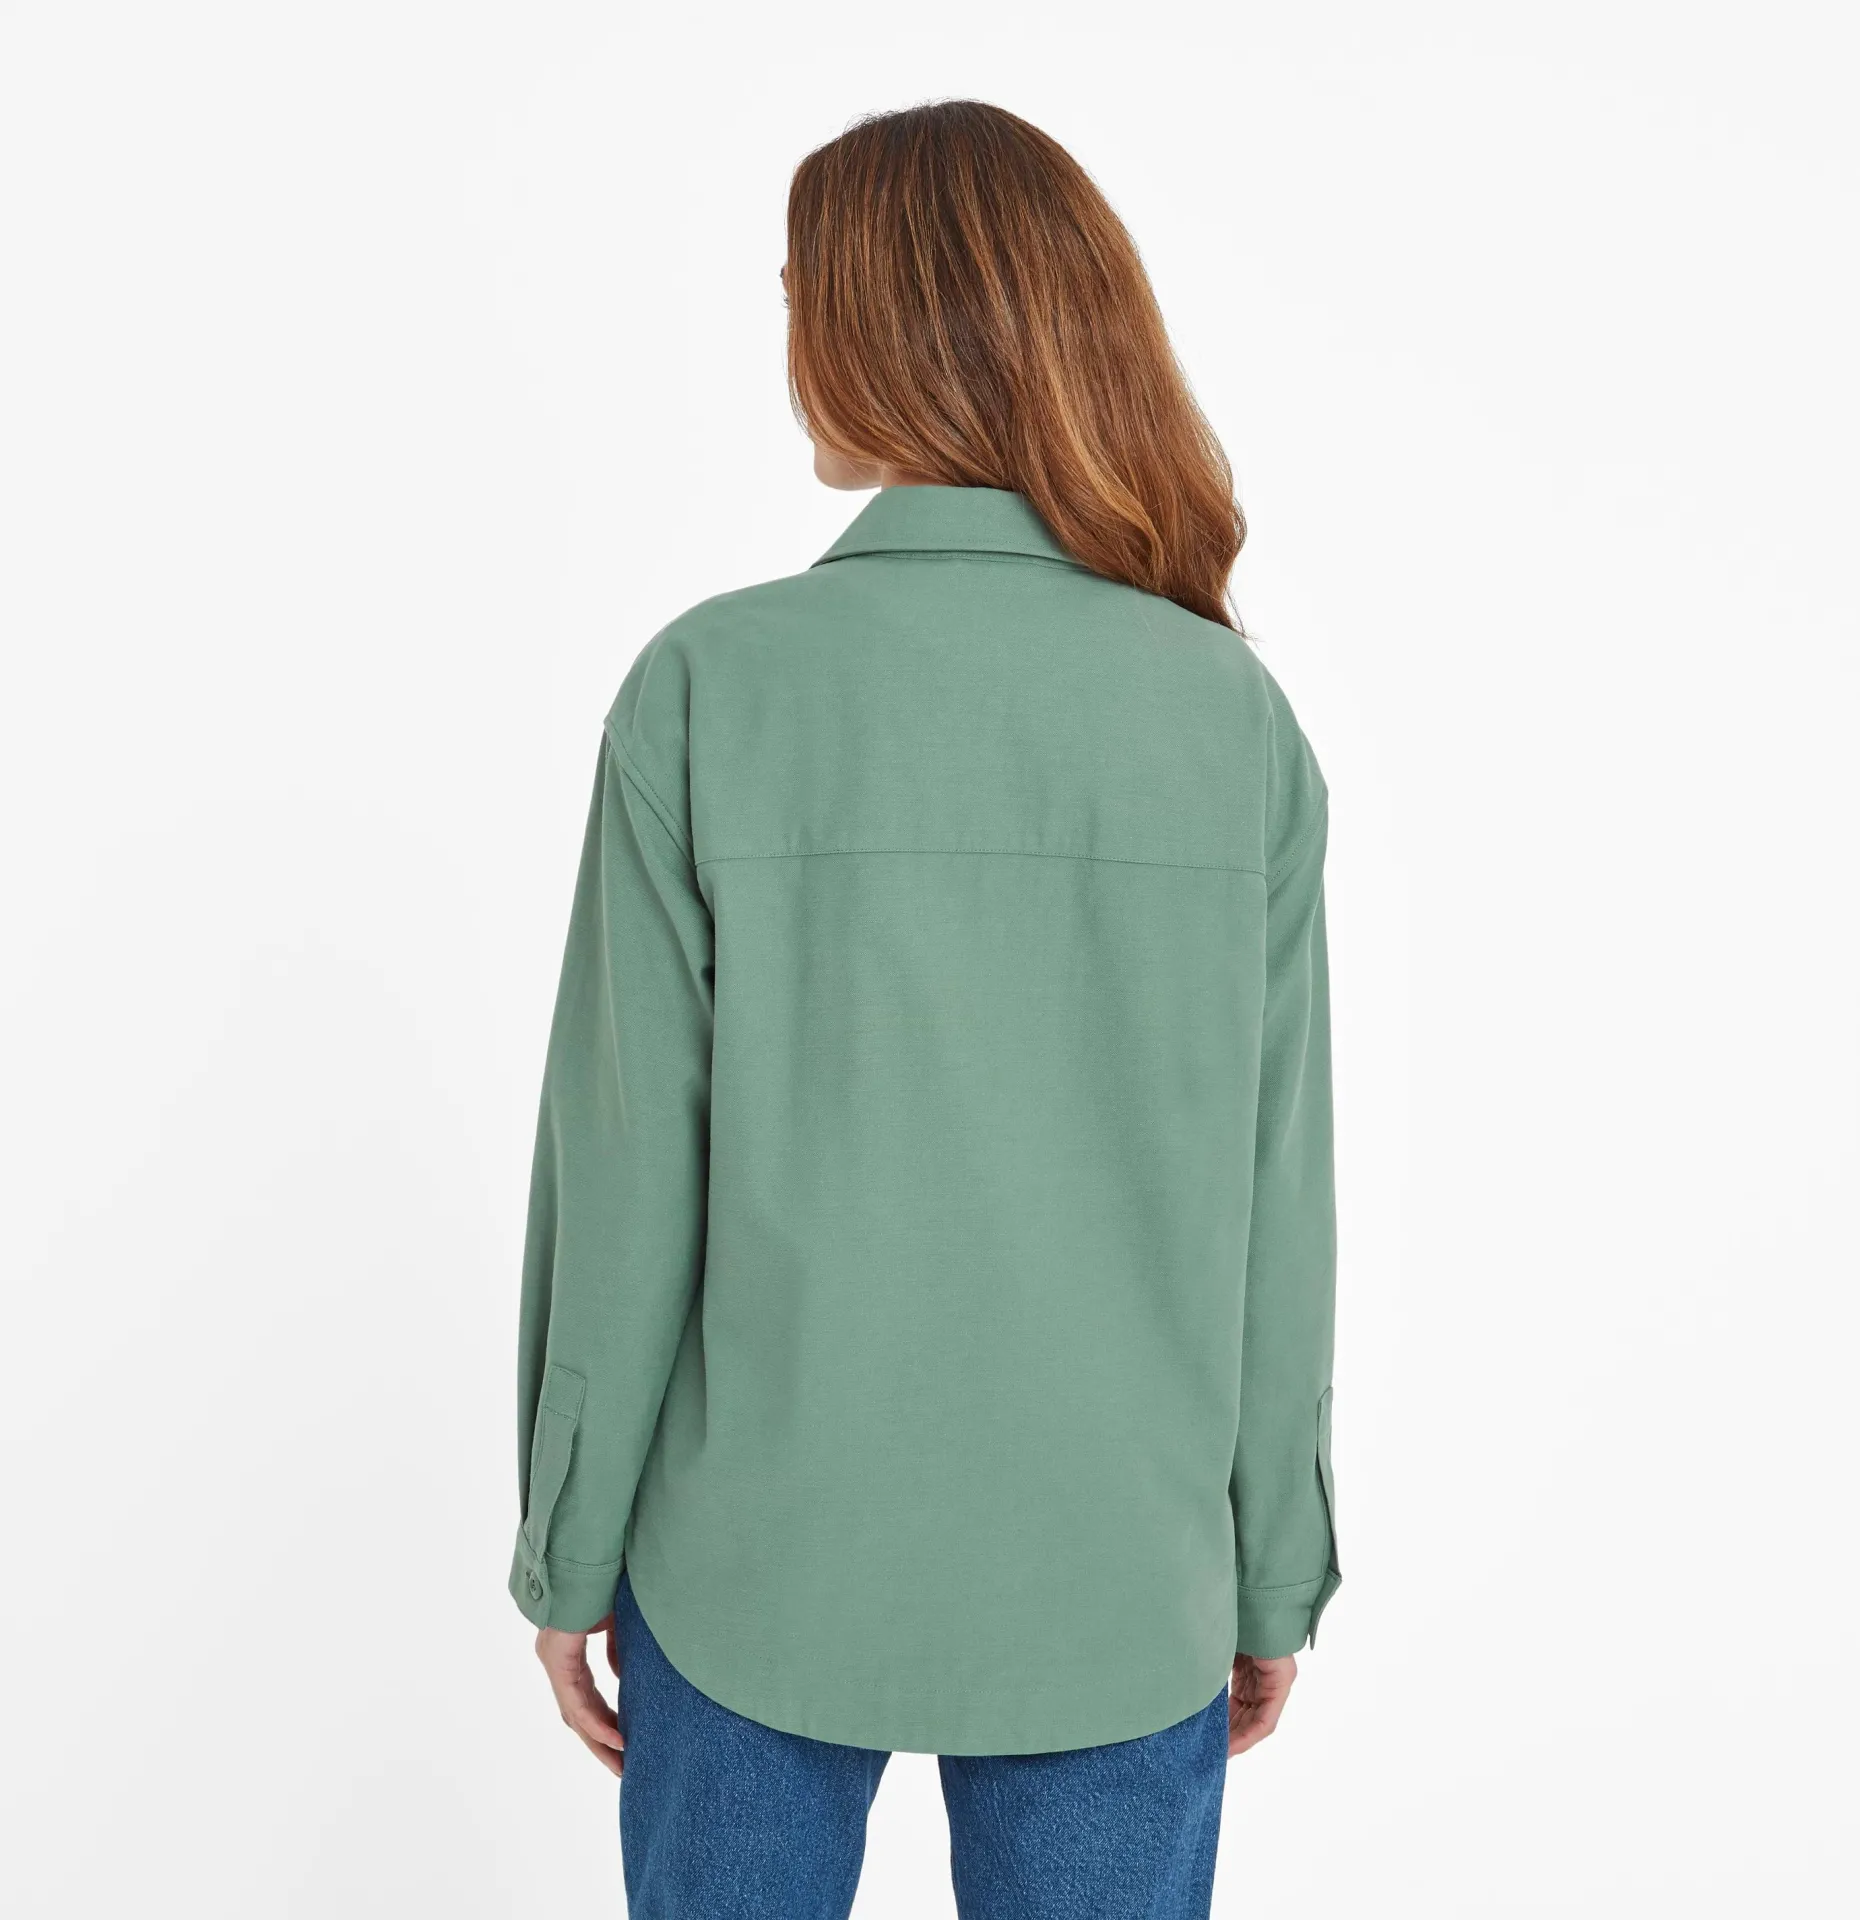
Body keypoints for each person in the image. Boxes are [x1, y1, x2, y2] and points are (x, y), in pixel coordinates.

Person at [509, 99, 1340, 1920]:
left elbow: (626, 1180)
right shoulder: (1230, 722)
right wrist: (1274, 1567)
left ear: (875, 326)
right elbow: (1274, 1208)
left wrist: (567, 1550)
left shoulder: (709, 690)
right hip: (1119, 1579)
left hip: (745, 1568)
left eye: (799, 295)